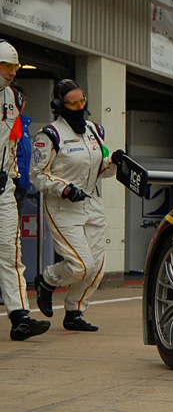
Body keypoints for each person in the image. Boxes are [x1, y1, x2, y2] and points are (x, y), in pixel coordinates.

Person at [31, 78, 119, 332]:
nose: (80, 107)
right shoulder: (49, 135)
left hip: (91, 202)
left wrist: (114, 162)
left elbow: (100, 167)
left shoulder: (94, 130)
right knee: (81, 265)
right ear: (60, 105)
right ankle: (47, 280)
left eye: (82, 101)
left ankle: (74, 312)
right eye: (73, 103)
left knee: (98, 267)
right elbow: (36, 174)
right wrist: (64, 188)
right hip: (62, 206)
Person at [0, 40, 49, 340]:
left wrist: (16, 179)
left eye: (14, 67)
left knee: (10, 252)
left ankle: (20, 317)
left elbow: (12, 143)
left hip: (3, 185)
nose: (11, 72)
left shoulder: (14, 99)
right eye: (6, 66)